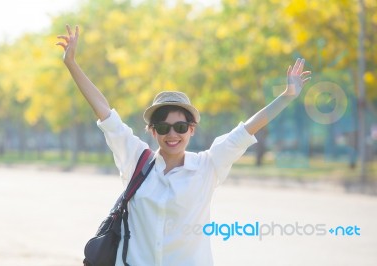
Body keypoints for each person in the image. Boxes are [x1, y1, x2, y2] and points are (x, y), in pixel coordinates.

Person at [56, 25, 311, 266]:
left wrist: (286, 96)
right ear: (153, 131)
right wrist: (71, 63)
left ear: (191, 128)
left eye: (180, 127)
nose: (172, 135)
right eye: (164, 127)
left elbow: (248, 129)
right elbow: (105, 112)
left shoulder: (208, 166)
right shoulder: (135, 160)